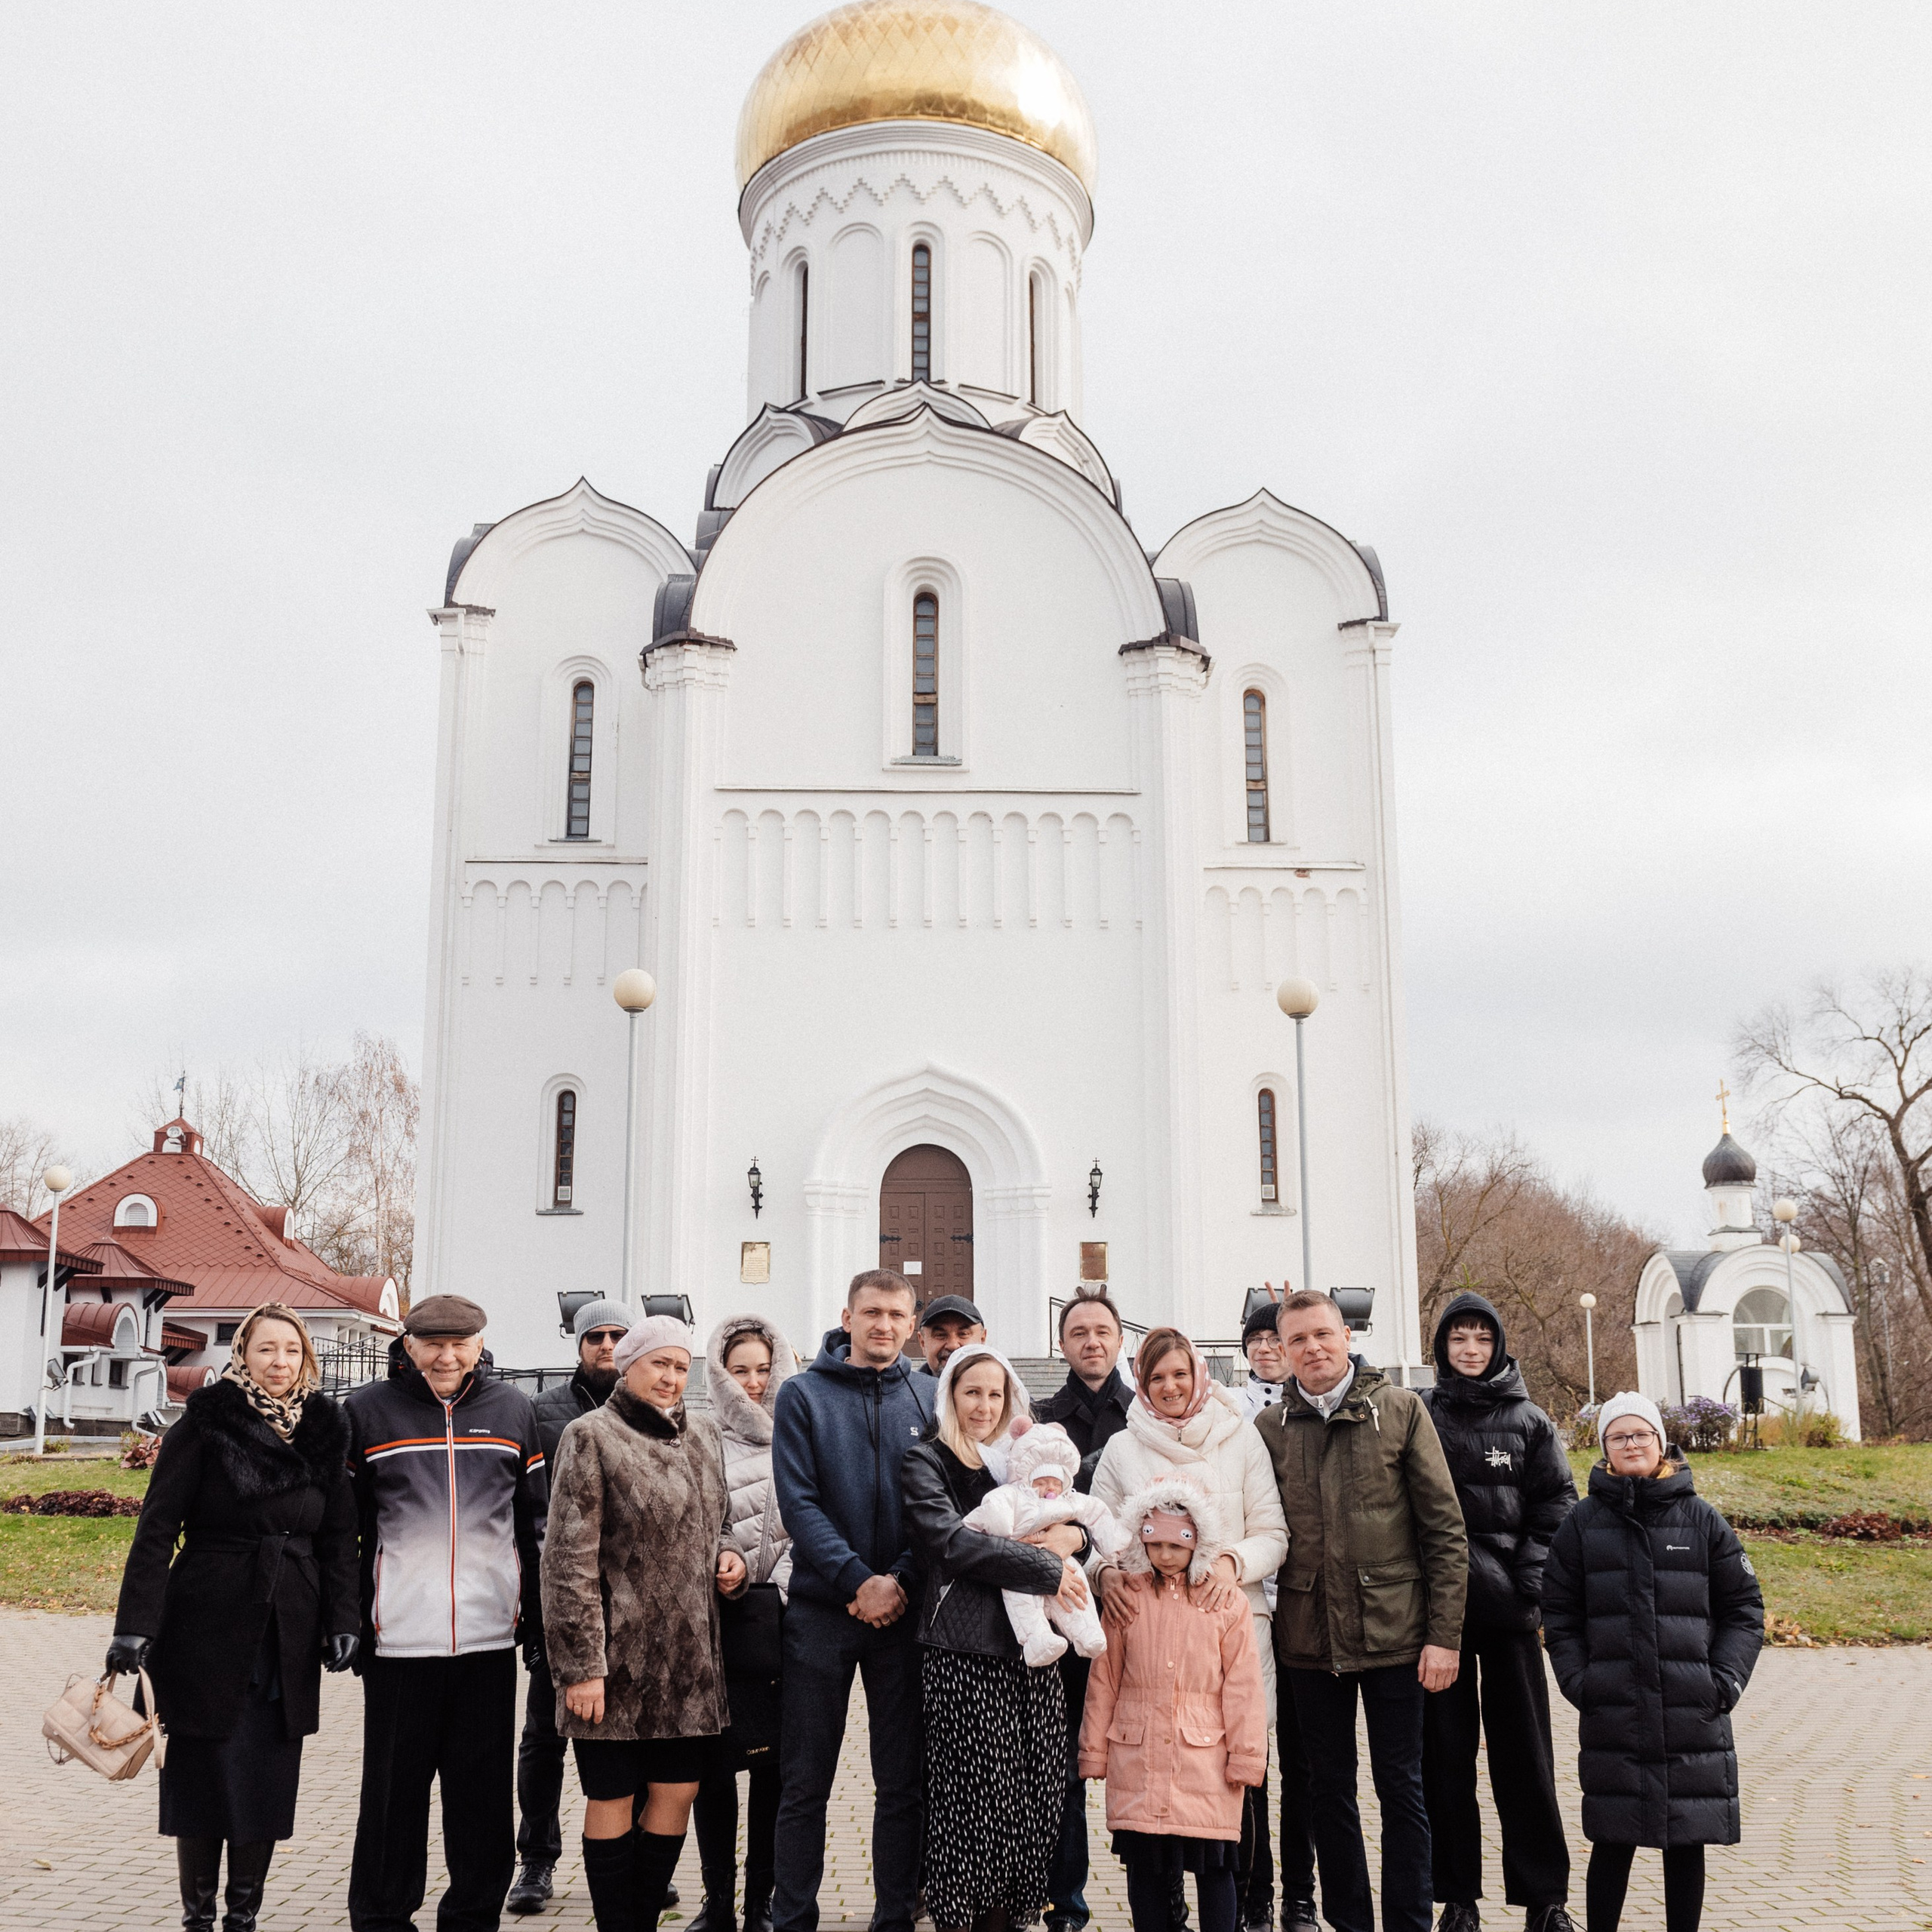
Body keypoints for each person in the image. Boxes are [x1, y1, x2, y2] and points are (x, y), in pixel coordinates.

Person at [109, 1302, 358, 1932]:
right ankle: (199, 1918)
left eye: (292, 1351)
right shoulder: (207, 1421)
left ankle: (244, 1915)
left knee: (267, 1778)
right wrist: (135, 1624)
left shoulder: (326, 1427)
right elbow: (158, 1526)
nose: (279, 1363)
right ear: (242, 1353)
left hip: (289, 1626)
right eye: (266, 1349)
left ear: (307, 1358)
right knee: (202, 1773)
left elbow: (339, 1537)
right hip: (206, 1618)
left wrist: (342, 1619)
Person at [1253, 1291, 1468, 1932]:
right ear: (1282, 1352)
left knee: (1402, 1789)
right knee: (1328, 1792)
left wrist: (1445, 1636)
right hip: (1308, 1639)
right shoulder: (1270, 1430)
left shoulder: (1401, 1412)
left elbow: (1445, 1531)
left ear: (1346, 1336)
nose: (1312, 1349)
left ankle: (1408, 1922)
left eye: (1323, 1335)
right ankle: (1350, 1922)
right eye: (1297, 1341)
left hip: (1398, 1637)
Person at [345, 1295, 549, 1932]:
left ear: (479, 1344)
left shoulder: (514, 1411)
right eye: (432, 1343)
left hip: (488, 1644)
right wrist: (349, 1619)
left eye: (460, 1343)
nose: (446, 1355)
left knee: (482, 1803)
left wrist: (538, 1622)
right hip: (400, 1642)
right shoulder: (366, 1412)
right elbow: (342, 1529)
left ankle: (472, 1917)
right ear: (408, 1346)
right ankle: (381, 1917)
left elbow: (536, 1526)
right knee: (391, 1801)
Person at [543, 1312, 747, 1932]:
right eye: (659, 1363)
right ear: (629, 1365)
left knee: (677, 1792)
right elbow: (567, 1559)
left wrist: (731, 1554)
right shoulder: (591, 1435)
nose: (671, 1377)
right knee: (612, 1796)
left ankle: (638, 1917)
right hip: (615, 1662)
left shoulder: (705, 1436)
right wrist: (581, 1666)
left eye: (682, 1367)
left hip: (690, 1661)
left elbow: (724, 1521)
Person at [1541, 1393, 1763, 1932]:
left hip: (1693, 1709)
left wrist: (1725, 1681)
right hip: (1614, 1708)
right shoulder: (1582, 1524)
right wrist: (1580, 1681)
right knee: (1613, 1837)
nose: (1631, 1444)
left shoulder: (1702, 1519)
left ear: (1661, 1442)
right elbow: (1559, 1613)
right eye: (1619, 1437)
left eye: (1641, 1434)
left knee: (1687, 1839)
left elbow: (1744, 1608)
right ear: (1605, 1450)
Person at [1091, 1328, 1288, 1932]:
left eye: (1179, 1374)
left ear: (1199, 1375)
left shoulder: (1239, 1436)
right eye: (1156, 1378)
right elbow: (1098, 1533)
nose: (1170, 1387)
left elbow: (1273, 1532)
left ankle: (1257, 1902)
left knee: (1235, 1774)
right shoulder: (1123, 1448)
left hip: (1229, 1623)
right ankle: (1167, 1914)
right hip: (1145, 1628)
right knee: (1154, 1802)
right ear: (1143, 1384)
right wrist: (1106, 1577)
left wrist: (1229, 1564)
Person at [901, 1343, 1092, 1932]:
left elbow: (1077, 1512)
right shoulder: (927, 1460)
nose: (983, 1405)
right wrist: (1047, 1562)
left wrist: (1075, 1538)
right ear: (950, 1397)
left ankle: (1010, 1918)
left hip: (1031, 1655)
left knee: (1034, 1795)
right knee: (973, 1799)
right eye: (971, 1392)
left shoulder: (1023, 1464)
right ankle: (962, 1919)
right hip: (964, 1650)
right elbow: (950, 1544)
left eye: (994, 1393)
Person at [770, 1270, 935, 1932]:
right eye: (872, 1313)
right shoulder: (802, 1395)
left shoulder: (929, 1397)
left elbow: (938, 1506)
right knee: (805, 1784)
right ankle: (793, 1919)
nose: (885, 1326)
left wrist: (896, 1579)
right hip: (821, 1614)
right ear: (847, 1316)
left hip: (903, 1612)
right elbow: (798, 1502)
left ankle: (895, 1916)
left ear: (912, 1323)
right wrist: (855, 1579)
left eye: (897, 1315)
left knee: (901, 1784)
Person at [1418, 1294, 1578, 1932]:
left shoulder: (1530, 1421)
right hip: (1439, 1620)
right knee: (1445, 1760)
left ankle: (1546, 1901)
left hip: (1510, 1617)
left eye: (1482, 1339)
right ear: (1443, 1348)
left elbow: (1557, 1504)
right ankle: (1457, 1899)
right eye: (1459, 1339)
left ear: (1499, 1346)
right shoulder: (1421, 1415)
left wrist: (1528, 1584)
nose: (1471, 1350)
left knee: (1526, 1759)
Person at [1078, 1482, 1268, 1932]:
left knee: (1215, 1868)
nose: (1165, 1555)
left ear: (1197, 1542)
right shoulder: (1128, 1600)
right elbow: (1105, 1679)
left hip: (1204, 1763)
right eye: (1155, 1544)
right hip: (1138, 1756)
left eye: (1175, 1545)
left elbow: (1243, 1686)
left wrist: (1246, 1757)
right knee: (1146, 1869)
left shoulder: (1226, 1603)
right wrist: (1093, 1750)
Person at [509, 1297, 632, 1916]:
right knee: (543, 1737)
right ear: (578, 1345)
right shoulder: (542, 1413)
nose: (607, 1345)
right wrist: (537, 1610)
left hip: (633, 1606)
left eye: (617, 1335)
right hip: (559, 1599)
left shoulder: (650, 1409)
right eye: (596, 1336)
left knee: (626, 1740)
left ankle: (628, 1861)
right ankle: (535, 1860)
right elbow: (525, 1510)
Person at [691, 1314, 800, 1932]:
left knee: (774, 1771)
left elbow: (814, 1518)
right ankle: (717, 1901)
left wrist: (783, 1588)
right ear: (721, 1374)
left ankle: (761, 1902)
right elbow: (700, 1516)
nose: (755, 1382)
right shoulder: (703, 1436)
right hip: (720, 1620)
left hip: (784, 1622)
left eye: (763, 1368)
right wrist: (722, 1559)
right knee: (715, 1769)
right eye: (741, 1371)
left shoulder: (801, 1432)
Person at [1030, 1287, 1134, 1932]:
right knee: (1062, 1761)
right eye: (1078, 1333)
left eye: (1102, 1331)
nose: (1092, 1342)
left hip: (1139, 1609)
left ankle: (1164, 1897)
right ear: (1062, 1344)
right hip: (1067, 1612)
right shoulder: (1042, 1421)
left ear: (1120, 1340)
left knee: (1147, 1751)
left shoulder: (1146, 1412)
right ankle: (1063, 1901)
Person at [1231, 1291, 1315, 1931]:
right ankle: (1255, 1889)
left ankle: (1301, 1895)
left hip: (1310, 1605)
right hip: (1255, 1607)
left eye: (1273, 1339)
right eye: (1256, 1341)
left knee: (1306, 1762)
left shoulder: (1314, 1410)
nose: (1266, 1349)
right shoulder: (1233, 1415)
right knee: (1251, 1756)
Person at [961, 1421, 1126, 1663]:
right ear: (1027, 1479)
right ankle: (1037, 1640)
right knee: (1022, 1599)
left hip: (1063, 1559)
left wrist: (1113, 1544)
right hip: (1020, 1557)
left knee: (1076, 1585)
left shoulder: (1070, 1500)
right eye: (1041, 1481)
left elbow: (1097, 1512)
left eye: (1055, 1481)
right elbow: (993, 1509)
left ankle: (1086, 1632)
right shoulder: (1015, 1495)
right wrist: (1002, 1530)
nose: (1049, 1487)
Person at [916, 1294, 987, 1380]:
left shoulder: (1005, 1389)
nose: (953, 1345)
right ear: (923, 1343)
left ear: (982, 1339)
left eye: (963, 1334)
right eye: (940, 1335)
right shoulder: (904, 1392)